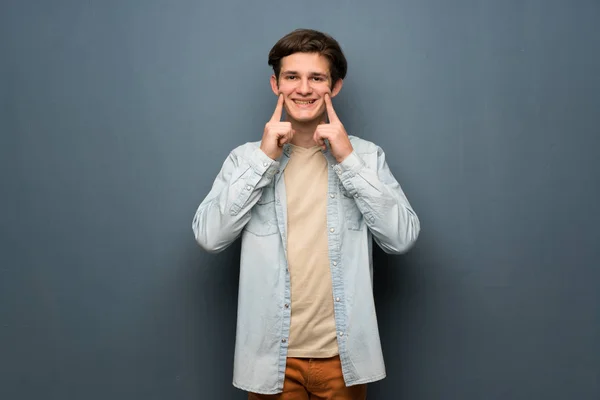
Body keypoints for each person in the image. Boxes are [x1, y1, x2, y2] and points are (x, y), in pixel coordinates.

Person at [192, 28, 420, 400]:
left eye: (317, 78)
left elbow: (402, 238)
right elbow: (209, 237)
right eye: (292, 77)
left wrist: (348, 159)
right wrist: (264, 159)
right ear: (275, 85)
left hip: (341, 360)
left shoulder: (366, 156)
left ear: (336, 86)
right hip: (271, 359)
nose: (304, 88)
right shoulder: (244, 159)